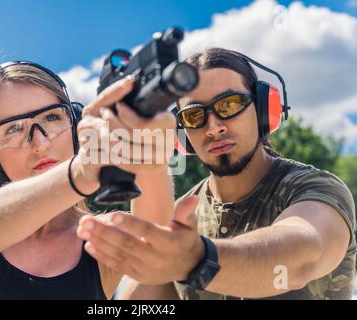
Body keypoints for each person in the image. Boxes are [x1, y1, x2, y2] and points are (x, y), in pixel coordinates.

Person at [77, 48, 356, 300]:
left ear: (262, 108)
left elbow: (300, 257)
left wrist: (196, 259)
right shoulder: (182, 218)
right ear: (181, 133)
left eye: (229, 105)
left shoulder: (315, 189)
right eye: (194, 116)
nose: (213, 127)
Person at [0, 61, 176, 299]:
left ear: (76, 126)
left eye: (51, 118)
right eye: (13, 128)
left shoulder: (98, 237)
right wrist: (80, 171)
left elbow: (154, 253)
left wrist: (149, 155)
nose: (41, 144)